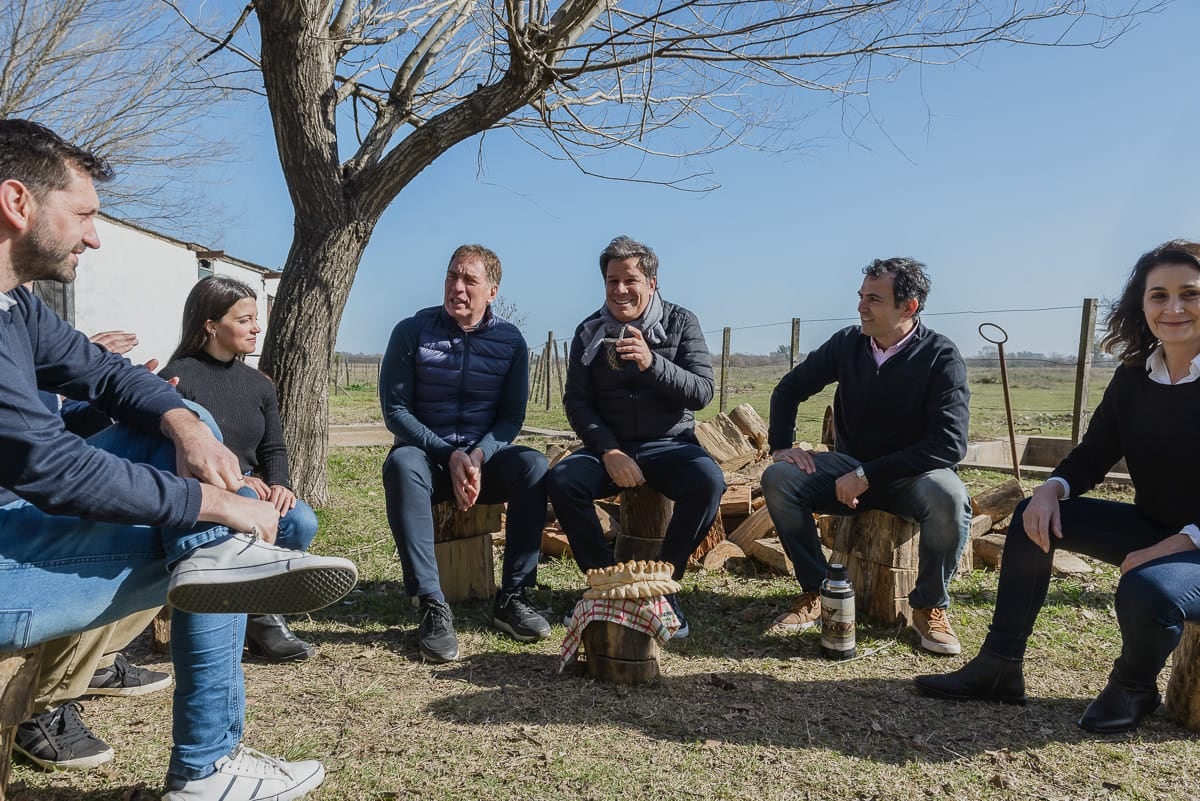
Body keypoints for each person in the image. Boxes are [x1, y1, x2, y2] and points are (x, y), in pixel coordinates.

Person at [0, 118, 357, 800]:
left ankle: (208, 749)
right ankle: (206, 764)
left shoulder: (15, 305)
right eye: (83, 215)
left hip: (16, 533)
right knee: (213, 544)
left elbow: (103, 373)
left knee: (175, 429)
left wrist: (185, 423)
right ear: (19, 204)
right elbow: (51, 465)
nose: (94, 236)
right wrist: (215, 503)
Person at [915, 239, 1200, 733]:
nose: (1173, 308)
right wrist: (1053, 489)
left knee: (1148, 588)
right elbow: (1094, 453)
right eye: (1159, 295)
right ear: (1142, 303)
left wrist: (1180, 543)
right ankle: (1000, 667)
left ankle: (1133, 688)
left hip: (1192, 544)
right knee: (1032, 518)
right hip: (1158, 527)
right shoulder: (1135, 376)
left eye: (1190, 294)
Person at [761, 257, 972, 655]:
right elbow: (788, 389)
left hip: (915, 479)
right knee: (779, 479)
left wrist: (868, 473)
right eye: (861, 296)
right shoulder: (848, 344)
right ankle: (817, 590)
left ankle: (929, 606)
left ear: (908, 307)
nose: (861, 306)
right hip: (848, 473)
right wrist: (781, 446)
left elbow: (948, 444)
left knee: (951, 496)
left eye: (874, 299)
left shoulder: (941, 356)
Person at [546, 235, 725, 638]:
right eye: (612, 281)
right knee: (562, 480)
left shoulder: (682, 323)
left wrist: (652, 363)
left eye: (630, 280)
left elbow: (701, 392)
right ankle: (604, 586)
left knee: (709, 481)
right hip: (610, 446)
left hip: (670, 443)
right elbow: (577, 402)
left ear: (652, 282)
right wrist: (608, 449)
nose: (620, 290)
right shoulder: (589, 330)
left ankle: (663, 587)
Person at [380, 244, 551, 663]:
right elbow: (395, 412)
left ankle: (513, 596)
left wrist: (477, 456)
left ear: (492, 291)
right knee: (400, 464)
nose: (457, 286)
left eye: (469, 280)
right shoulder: (411, 331)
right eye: (452, 276)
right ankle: (432, 605)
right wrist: (448, 454)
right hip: (427, 460)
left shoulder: (511, 342)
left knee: (534, 465)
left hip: (481, 463)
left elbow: (511, 418)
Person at [17, 326, 174, 772]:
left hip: (27, 487)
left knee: (161, 529)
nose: (88, 249)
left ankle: (97, 662)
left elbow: (55, 426)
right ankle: (38, 706)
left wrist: (105, 407)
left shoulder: (21, 319)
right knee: (93, 529)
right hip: (16, 502)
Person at [161, 276, 321, 662]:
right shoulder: (178, 378)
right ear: (211, 325)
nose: (256, 327)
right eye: (245, 319)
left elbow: (274, 447)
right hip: (209, 492)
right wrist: (239, 482)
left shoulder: (259, 384)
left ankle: (254, 605)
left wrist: (280, 484)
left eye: (255, 318)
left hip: (257, 488)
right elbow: (177, 453)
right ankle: (263, 617)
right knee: (248, 501)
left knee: (302, 522)